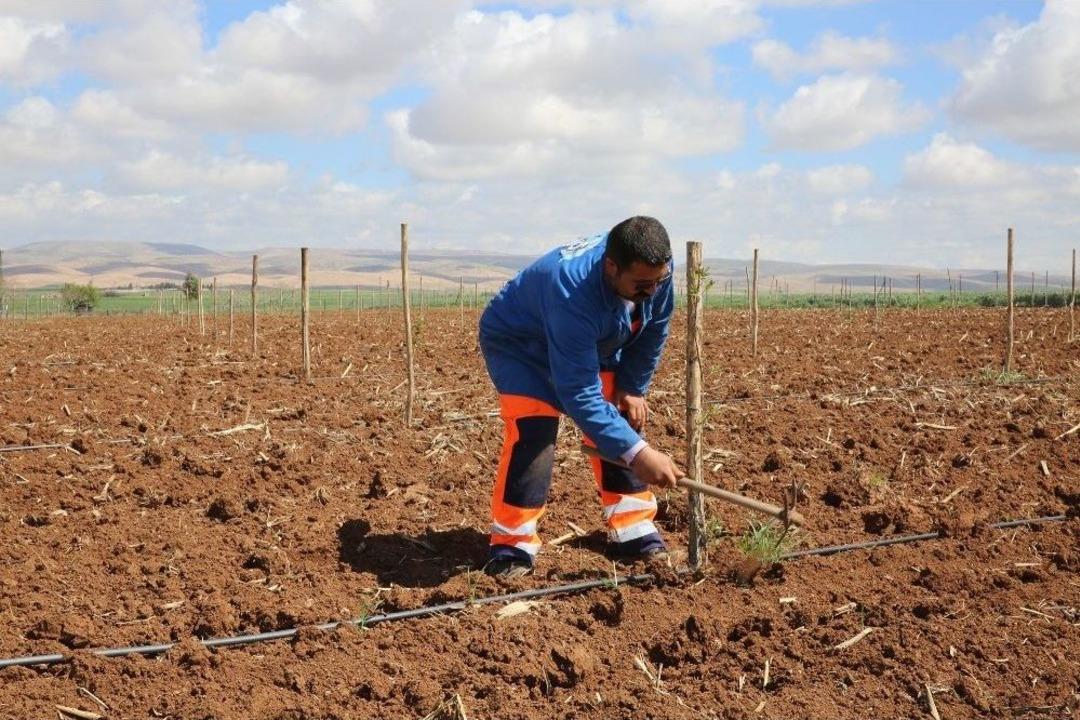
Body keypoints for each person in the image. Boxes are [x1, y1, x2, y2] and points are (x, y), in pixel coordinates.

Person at [478, 216, 684, 579]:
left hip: (596, 337)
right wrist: (639, 454)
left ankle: (632, 526)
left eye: (658, 281)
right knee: (535, 432)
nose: (652, 291)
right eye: (641, 285)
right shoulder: (572, 292)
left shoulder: (653, 270)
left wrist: (633, 386)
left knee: (617, 414)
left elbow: (655, 327)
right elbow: (580, 394)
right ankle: (512, 543)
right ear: (611, 267)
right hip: (523, 345)